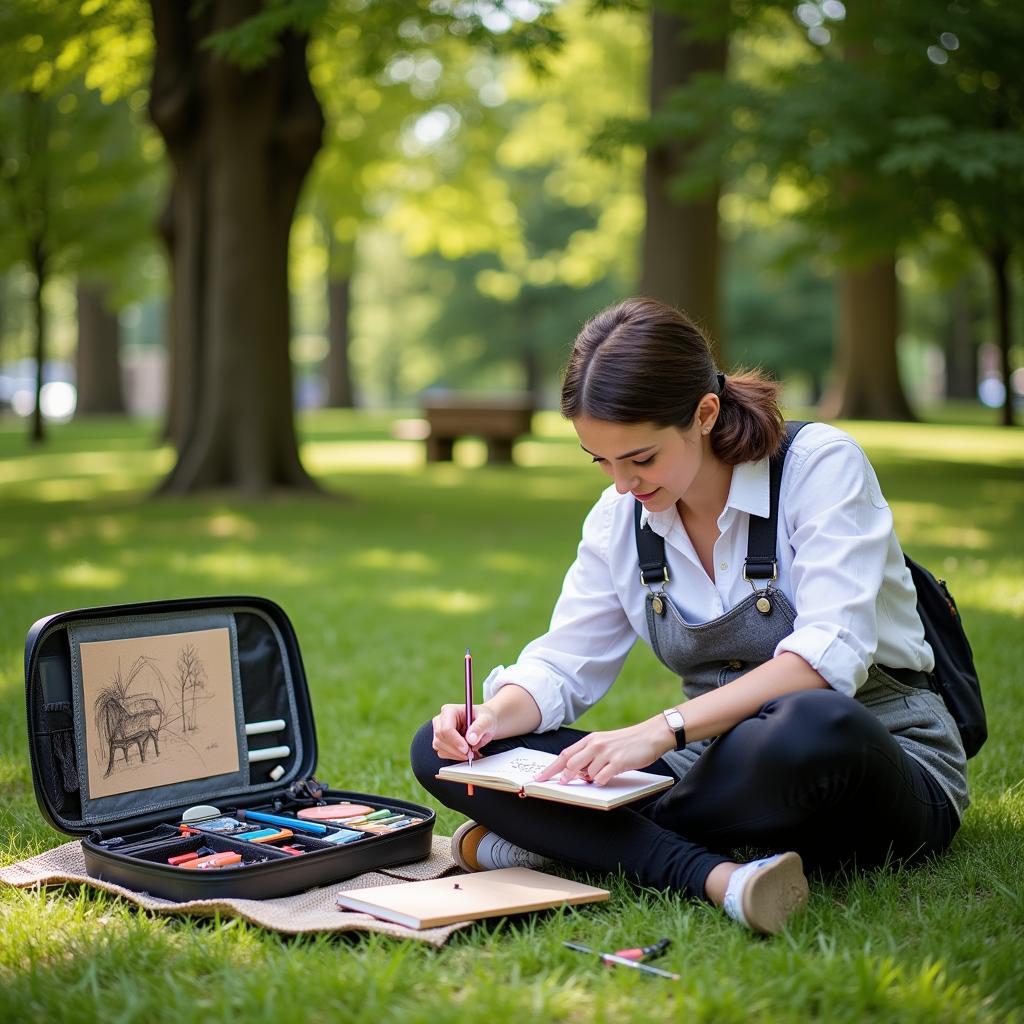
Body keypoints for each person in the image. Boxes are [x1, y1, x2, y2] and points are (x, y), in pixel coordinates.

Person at [410, 297, 967, 934]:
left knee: (812, 724)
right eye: (601, 460)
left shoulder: (819, 466)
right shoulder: (619, 517)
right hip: (711, 770)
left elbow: (826, 658)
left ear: (704, 413)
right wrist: (487, 721)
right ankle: (715, 874)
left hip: (870, 754)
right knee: (439, 751)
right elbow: (564, 663)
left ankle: (567, 844)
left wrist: (661, 729)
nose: (622, 484)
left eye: (641, 458)